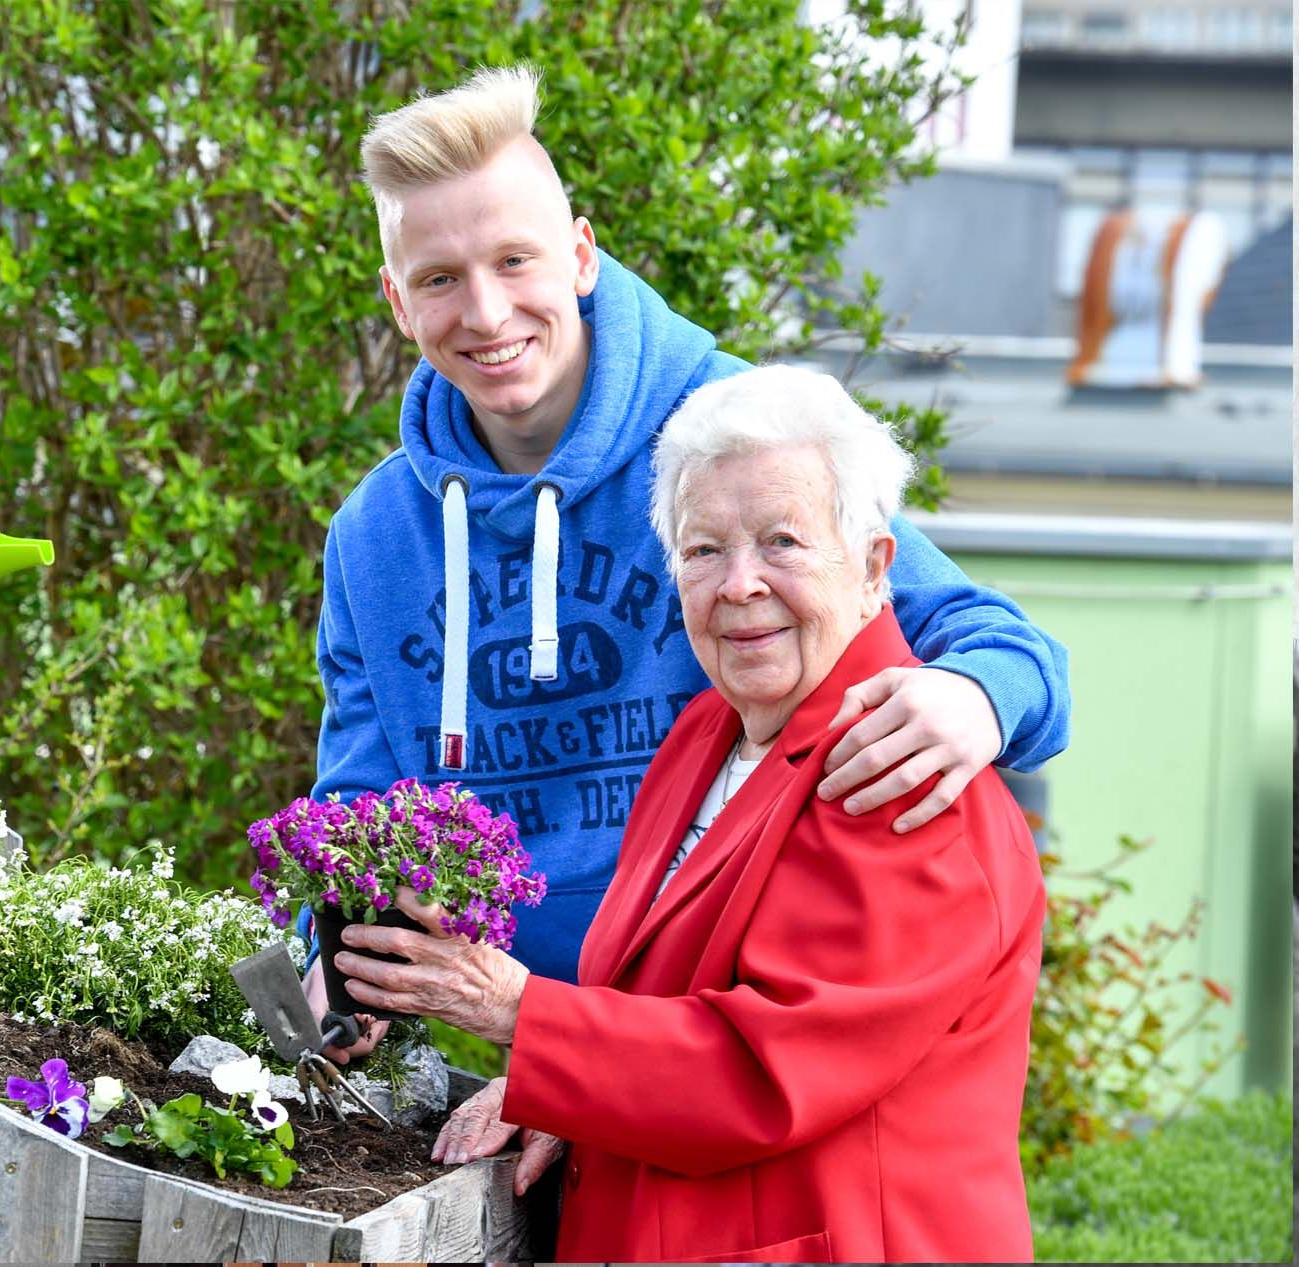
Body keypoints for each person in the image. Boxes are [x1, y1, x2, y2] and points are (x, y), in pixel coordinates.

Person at [303, 64, 1066, 1058]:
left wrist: (975, 697)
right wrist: (339, 957)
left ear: (580, 256)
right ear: (398, 303)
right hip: (509, 1042)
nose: (487, 314)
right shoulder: (374, 536)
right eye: (439, 279)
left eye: (514, 261)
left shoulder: (732, 441)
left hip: (706, 1015)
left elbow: (1002, 649)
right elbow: (360, 803)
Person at [330, 365, 1047, 1262]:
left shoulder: (899, 780)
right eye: (704, 549)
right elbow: (655, 999)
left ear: (873, 567)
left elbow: (760, 1071)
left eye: (782, 541)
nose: (739, 583)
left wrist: (520, 1014)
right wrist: (568, 1095)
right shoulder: (706, 736)